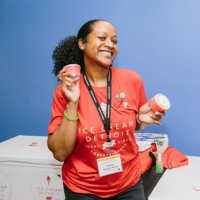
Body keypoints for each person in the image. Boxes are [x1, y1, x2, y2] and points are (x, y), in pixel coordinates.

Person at [47, 19, 165, 200]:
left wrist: (139, 119)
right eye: (102, 38)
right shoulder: (66, 90)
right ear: (82, 43)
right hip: (82, 189)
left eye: (114, 41)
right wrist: (72, 103)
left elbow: (133, 126)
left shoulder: (132, 80)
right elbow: (60, 153)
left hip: (129, 185)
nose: (110, 45)